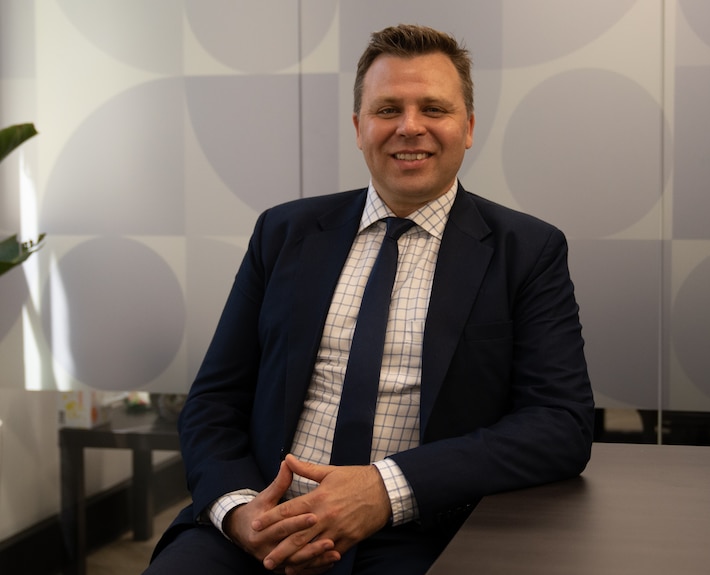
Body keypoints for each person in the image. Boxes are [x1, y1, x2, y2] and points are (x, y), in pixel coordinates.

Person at [145, 23, 594, 575]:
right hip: (263, 520)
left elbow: (559, 424)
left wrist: (385, 489)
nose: (410, 127)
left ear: (468, 127)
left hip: (415, 530)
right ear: (358, 128)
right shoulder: (283, 233)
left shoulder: (527, 250)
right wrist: (241, 514)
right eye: (387, 110)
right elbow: (214, 401)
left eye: (433, 108)